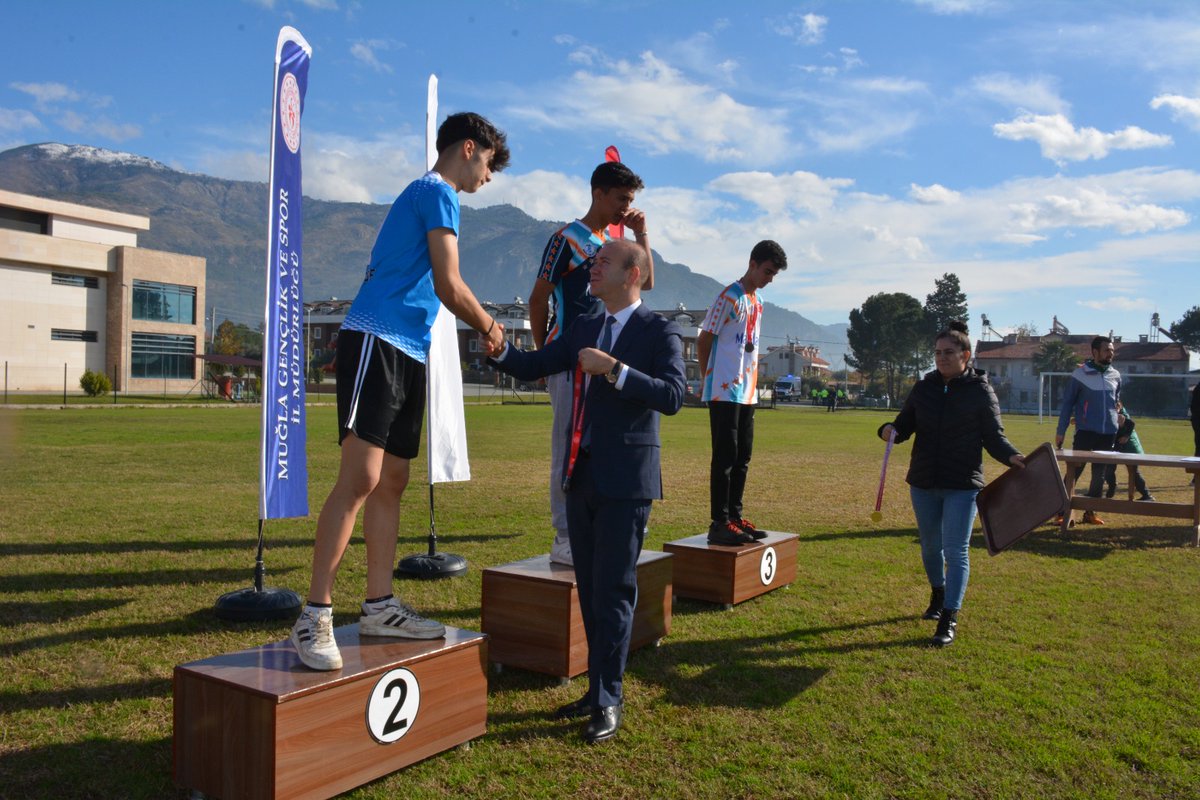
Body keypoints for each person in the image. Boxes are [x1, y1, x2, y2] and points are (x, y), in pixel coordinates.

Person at [288, 112, 510, 671]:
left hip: (408, 349)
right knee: (360, 478)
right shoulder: (436, 191)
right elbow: (448, 283)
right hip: (376, 339)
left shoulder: (432, 194)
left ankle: (379, 606)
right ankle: (312, 615)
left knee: (393, 479)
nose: (488, 178)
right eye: (488, 163)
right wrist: (490, 329)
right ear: (468, 148)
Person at [493, 239, 684, 743]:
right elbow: (538, 364)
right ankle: (598, 685)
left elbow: (673, 396)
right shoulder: (583, 325)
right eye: (593, 262)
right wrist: (499, 348)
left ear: (633, 274)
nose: (591, 270)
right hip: (580, 477)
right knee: (591, 589)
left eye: (602, 263)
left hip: (627, 483)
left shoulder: (658, 330)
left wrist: (616, 371)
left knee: (614, 590)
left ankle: (608, 698)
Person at [527, 161, 653, 567]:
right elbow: (538, 298)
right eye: (621, 199)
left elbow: (644, 282)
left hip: (607, 358)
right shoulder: (567, 239)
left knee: (604, 443)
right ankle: (565, 536)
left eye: (630, 201)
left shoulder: (613, 243)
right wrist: (544, 355)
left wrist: (640, 233)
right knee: (567, 445)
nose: (625, 207)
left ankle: (596, 524)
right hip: (567, 359)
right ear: (598, 193)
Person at [879, 321, 1024, 648]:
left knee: (956, 550)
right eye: (937, 353)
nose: (941, 358)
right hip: (923, 481)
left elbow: (994, 438)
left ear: (966, 355)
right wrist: (888, 430)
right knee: (931, 547)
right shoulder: (924, 388)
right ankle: (938, 592)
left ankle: (949, 616)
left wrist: (1013, 457)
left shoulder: (981, 391)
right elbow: (903, 426)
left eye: (949, 353)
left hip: (963, 484)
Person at [697, 240, 787, 546]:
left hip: (747, 392)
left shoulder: (757, 302)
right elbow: (704, 339)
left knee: (742, 456)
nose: (769, 279)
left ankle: (734, 517)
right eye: (767, 271)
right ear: (752, 263)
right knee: (724, 456)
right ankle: (718, 522)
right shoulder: (730, 296)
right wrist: (709, 378)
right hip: (724, 392)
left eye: (773, 274)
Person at [1055, 335, 1121, 525]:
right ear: (1095, 352)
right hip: (1085, 432)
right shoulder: (1080, 374)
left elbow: (1116, 401)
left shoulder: (1116, 375)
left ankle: (1090, 512)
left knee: (1099, 475)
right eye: (1107, 350)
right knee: (1074, 472)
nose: (1111, 353)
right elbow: (1067, 404)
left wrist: (1117, 416)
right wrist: (1061, 431)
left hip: (1109, 433)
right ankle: (1061, 512)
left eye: (1112, 350)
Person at [1103, 405, 1155, 501]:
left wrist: (1126, 436)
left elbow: (1131, 424)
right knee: (1108, 469)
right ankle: (1112, 487)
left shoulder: (1118, 409)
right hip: (1117, 446)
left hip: (1129, 446)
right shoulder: (1108, 405)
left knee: (1133, 472)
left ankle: (1147, 495)